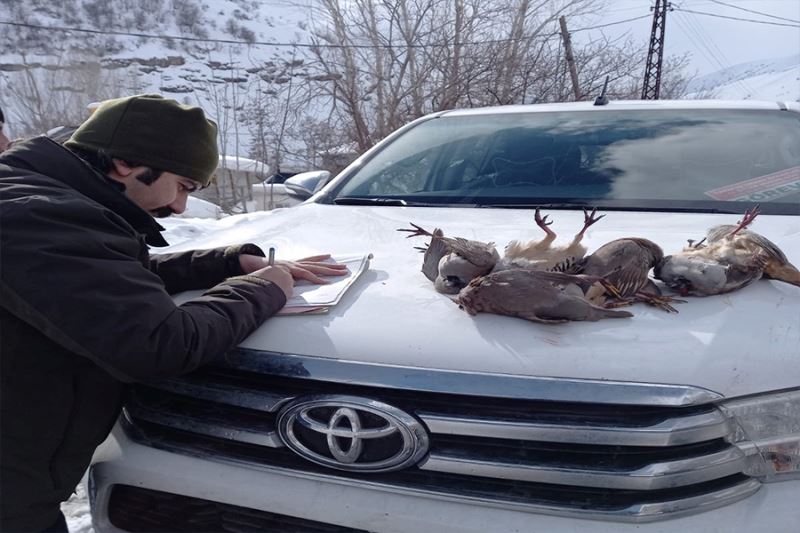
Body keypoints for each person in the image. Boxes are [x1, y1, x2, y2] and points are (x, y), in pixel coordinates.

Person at [0, 94, 346, 532]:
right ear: (126, 162)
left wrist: (224, 263)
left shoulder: (38, 202)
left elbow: (96, 279)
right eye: (183, 185)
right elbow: (160, 342)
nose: (181, 207)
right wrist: (263, 287)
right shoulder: (38, 216)